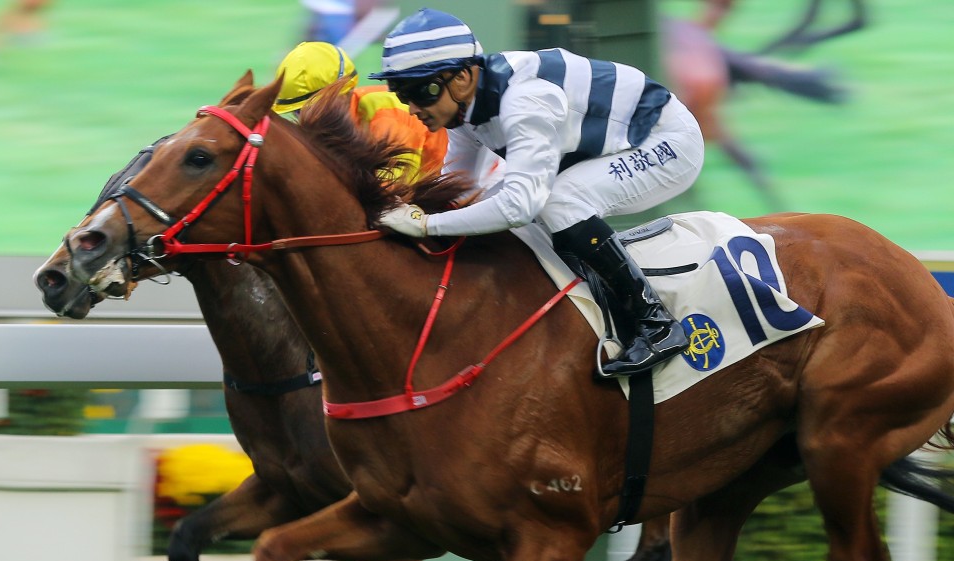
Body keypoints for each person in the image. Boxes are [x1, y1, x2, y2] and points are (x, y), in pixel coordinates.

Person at [370, 8, 705, 378]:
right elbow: (459, 187)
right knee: (499, 200)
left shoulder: (524, 102)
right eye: (402, 94)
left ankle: (655, 323)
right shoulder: (464, 107)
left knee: (558, 200)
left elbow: (519, 206)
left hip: (668, 142)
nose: (413, 108)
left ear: (463, 77)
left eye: (421, 91)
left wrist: (426, 225)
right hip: (612, 146)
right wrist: (408, 212)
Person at [273, 40, 447, 182]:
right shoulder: (326, 134)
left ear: (347, 92)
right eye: (298, 112)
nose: (308, 118)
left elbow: (392, 192)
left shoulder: (389, 112)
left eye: (318, 108)